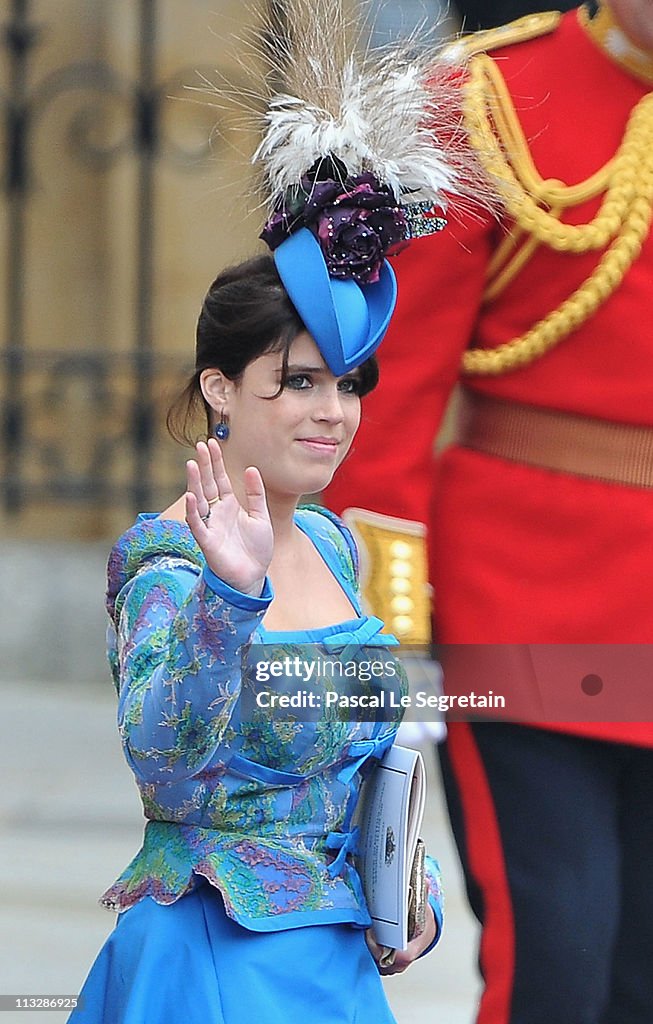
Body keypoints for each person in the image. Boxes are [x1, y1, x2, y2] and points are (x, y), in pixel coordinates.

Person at [66, 1, 483, 1014]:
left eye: (347, 384)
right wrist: (232, 597)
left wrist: (406, 882)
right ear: (218, 388)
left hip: (333, 962)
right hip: (211, 962)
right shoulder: (166, 559)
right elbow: (167, 767)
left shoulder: (334, 544)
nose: (331, 412)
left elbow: (359, 768)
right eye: (294, 382)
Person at [324, 3, 653, 1023]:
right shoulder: (482, 105)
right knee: (561, 957)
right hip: (530, 606)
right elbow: (385, 410)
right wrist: (380, 635)